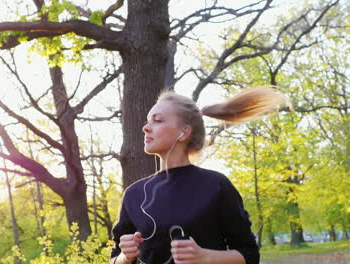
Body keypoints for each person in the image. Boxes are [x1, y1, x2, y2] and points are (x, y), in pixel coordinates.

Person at [109, 86, 290, 264]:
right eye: (148, 120)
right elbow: (114, 260)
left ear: (184, 132)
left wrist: (205, 257)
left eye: (157, 120)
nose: (145, 128)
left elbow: (250, 255)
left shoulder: (216, 186)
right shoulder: (133, 194)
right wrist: (126, 257)